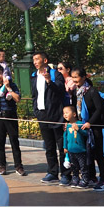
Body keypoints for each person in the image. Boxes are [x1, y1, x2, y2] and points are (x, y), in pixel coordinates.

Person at [70, 66, 104, 191]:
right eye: (72, 77)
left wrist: (90, 122)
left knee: (99, 154)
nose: (74, 80)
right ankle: (91, 177)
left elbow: (99, 109)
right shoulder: (75, 91)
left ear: (83, 77)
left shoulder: (92, 91)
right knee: (87, 153)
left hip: (94, 127)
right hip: (82, 126)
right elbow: (74, 108)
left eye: (76, 77)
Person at [31, 51, 70, 185]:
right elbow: (34, 96)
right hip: (42, 115)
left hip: (56, 114)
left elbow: (60, 90)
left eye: (37, 59)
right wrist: (36, 111)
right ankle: (52, 172)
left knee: (61, 146)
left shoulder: (55, 74)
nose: (35, 62)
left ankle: (66, 174)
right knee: (49, 146)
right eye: (33, 60)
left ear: (45, 60)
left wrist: (49, 81)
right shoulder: (34, 76)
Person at [0, 63, 25, 176]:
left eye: (0, 73)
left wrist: (8, 88)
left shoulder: (11, 84)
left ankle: (18, 166)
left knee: (14, 141)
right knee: (0, 143)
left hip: (10, 115)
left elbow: (18, 99)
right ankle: (2, 166)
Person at [63, 105, 91, 189]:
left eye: (67, 112)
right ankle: (75, 178)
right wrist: (65, 147)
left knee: (83, 166)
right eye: (64, 113)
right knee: (74, 166)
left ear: (74, 114)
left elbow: (86, 134)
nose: (65, 115)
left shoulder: (80, 124)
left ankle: (85, 179)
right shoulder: (67, 125)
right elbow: (65, 136)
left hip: (80, 150)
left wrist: (78, 129)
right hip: (71, 150)